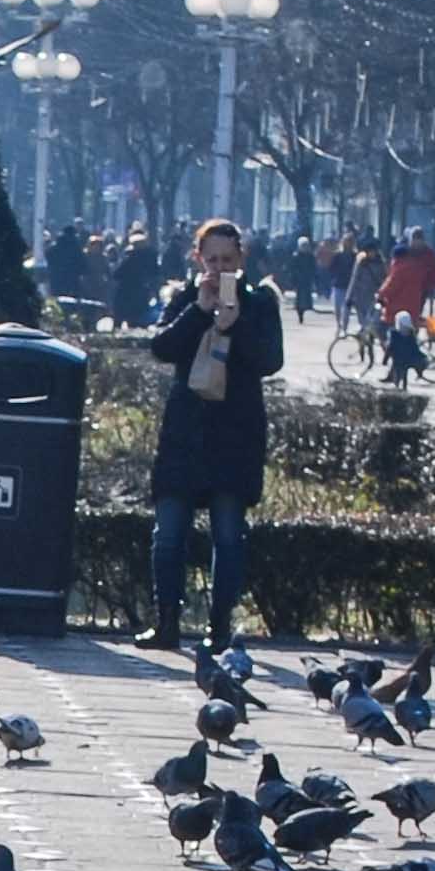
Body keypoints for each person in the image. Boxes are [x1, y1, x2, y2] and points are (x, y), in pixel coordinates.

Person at [145, 216, 286, 650]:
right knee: (168, 533)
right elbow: (161, 347)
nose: (220, 268)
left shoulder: (259, 303)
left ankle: (219, 628)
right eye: (212, 260)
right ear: (198, 259)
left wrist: (235, 323)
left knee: (228, 537)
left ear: (241, 258)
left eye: (228, 259)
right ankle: (165, 621)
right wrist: (200, 311)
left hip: (235, 434)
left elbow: (269, 361)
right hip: (186, 434)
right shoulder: (186, 297)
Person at [377, 226, 435, 344]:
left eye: (419, 239)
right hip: (414, 290)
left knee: (406, 320)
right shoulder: (411, 254)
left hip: (419, 290)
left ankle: (410, 344)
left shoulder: (419, 256)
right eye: (415, 239)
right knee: (412, 318)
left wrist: (429, 285)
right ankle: (413, 341)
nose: (417, 242)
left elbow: (394, 280)